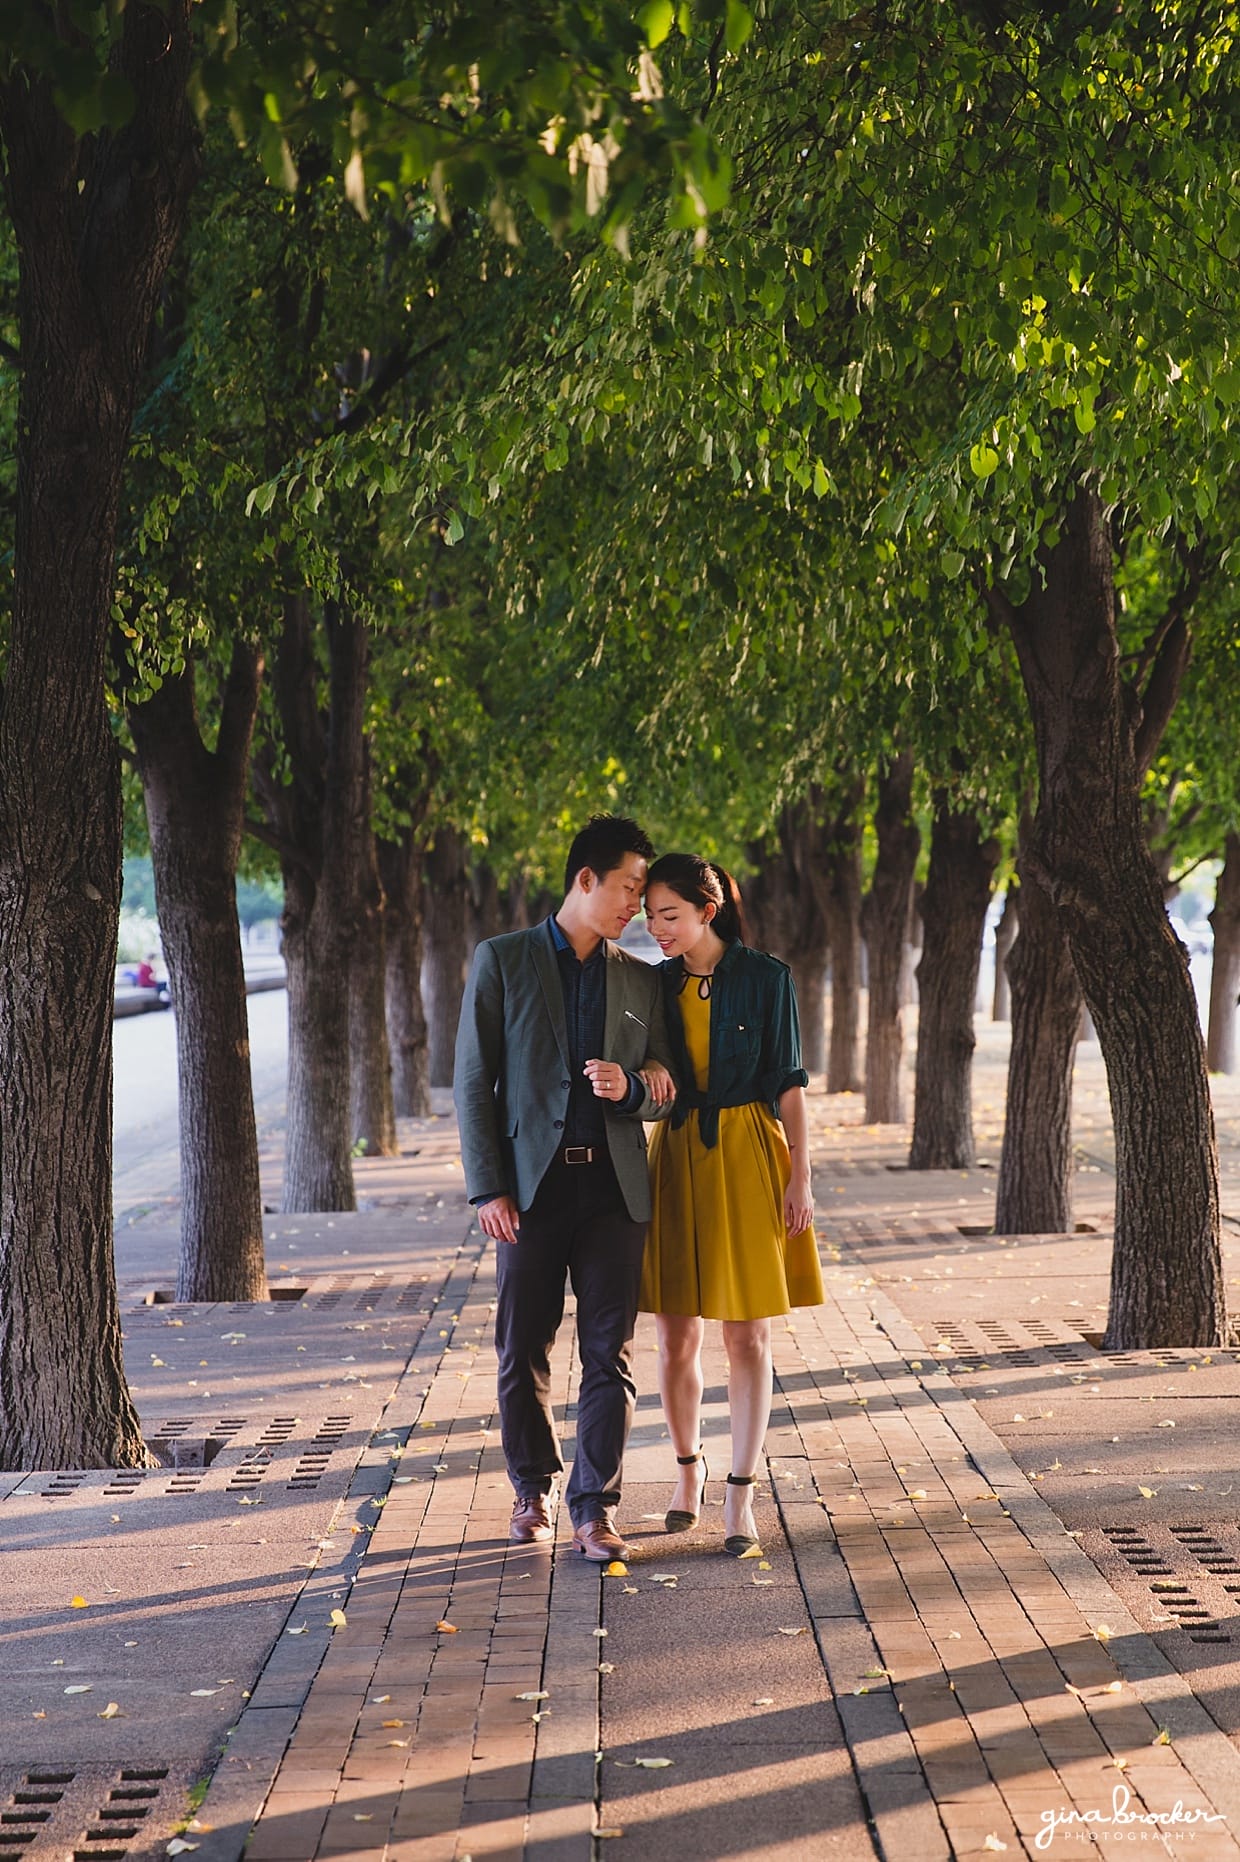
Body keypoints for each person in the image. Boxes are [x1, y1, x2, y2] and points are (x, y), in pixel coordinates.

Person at [454, 815, 676, 1563]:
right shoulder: (505, 961)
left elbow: (667, 1086)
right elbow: (471, 1081)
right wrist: (488, 1187)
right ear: (586, 879)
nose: (636, 905)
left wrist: (633, 1090)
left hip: (615, 1192)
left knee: (609, 1352)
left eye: (642, 892)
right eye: (628, 887)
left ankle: (595, 1508)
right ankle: (532, 1487)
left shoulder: (642, 978)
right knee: (523, 1346)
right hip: (531, 1192)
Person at [640, 854, 822, 1555]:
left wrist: (799, 1177)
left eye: (669, 915)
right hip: (678, 1156)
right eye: (650, 916)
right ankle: (688, 1472)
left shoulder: (767, 978)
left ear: (706, 912)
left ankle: (741, 1498)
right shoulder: (651, 985)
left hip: (749, 1152)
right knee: (674, 1334)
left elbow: (791, 1084)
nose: (656, 928)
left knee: (747, 1335)